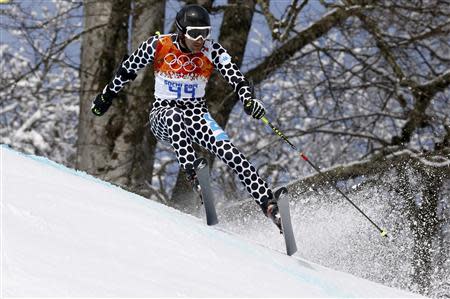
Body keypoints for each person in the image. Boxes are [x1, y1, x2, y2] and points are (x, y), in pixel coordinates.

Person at [91, 4, 281, 229]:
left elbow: (237, 79)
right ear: (181, 31)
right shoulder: (159, 45)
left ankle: (269, 205)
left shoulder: (213, 51)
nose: (200, 39)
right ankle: (194, 174)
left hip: (197, 115)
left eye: (205, 33)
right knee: (173, 115)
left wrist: (249, 100)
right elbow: (127, 70)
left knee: (232, 153)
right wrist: (106, 96)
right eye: (194, 33)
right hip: (163, 115)